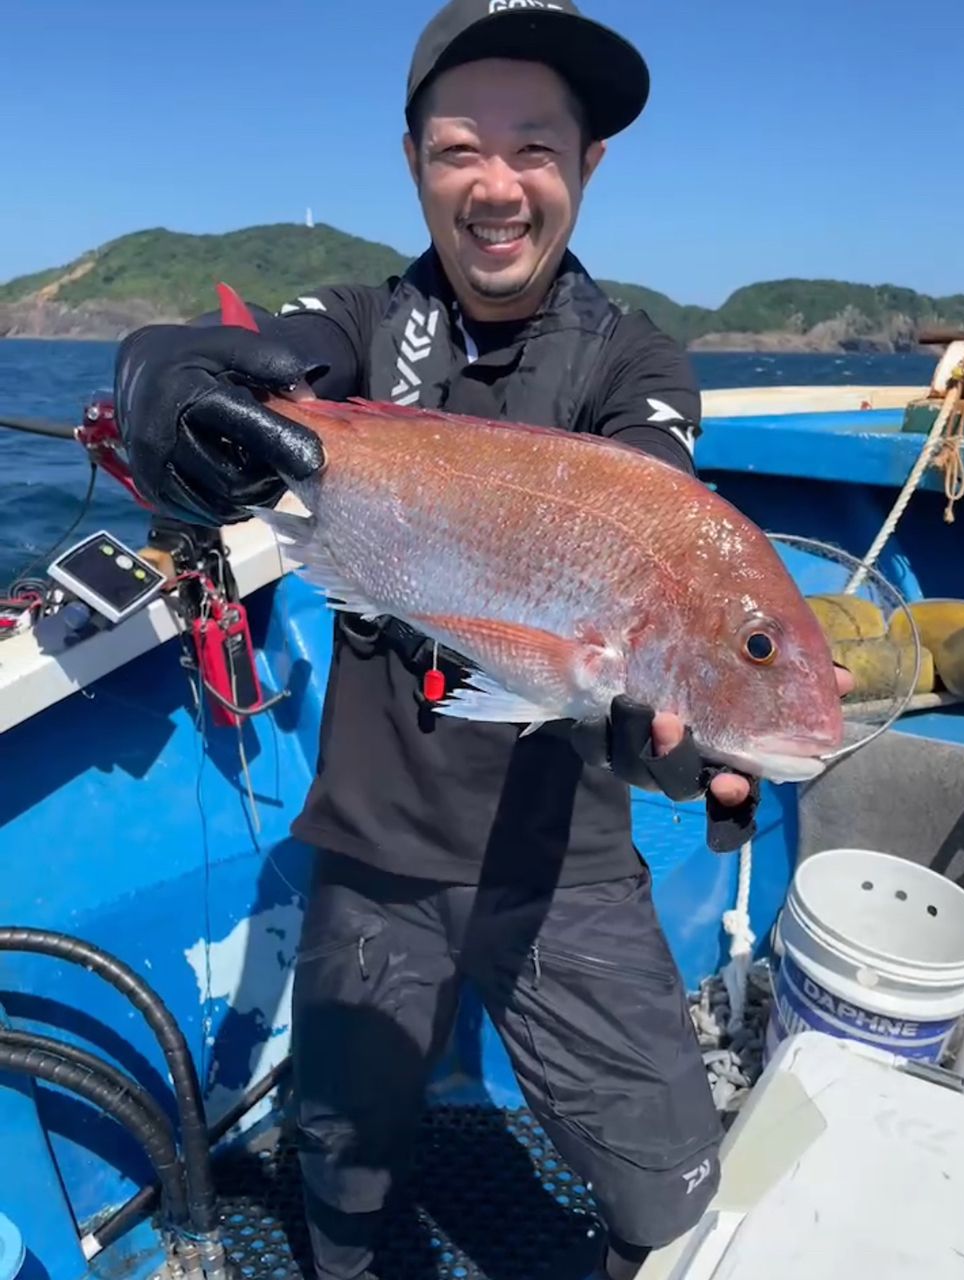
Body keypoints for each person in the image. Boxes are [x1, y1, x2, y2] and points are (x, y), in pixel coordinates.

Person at [113, 3, 851, 1276]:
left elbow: (647, 509)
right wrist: (170, 374)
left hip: (564, 856)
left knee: (676, 1195)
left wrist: (690, 731)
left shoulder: (639, 362)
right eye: (461, 148)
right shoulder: (356, 319)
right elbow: (251, 352)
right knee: (336, 1164)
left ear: (588, 166)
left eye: (537, 148)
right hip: (374, 846)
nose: (498, 186)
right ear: (414, 162)